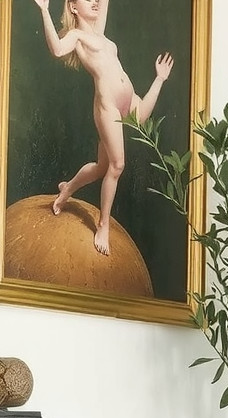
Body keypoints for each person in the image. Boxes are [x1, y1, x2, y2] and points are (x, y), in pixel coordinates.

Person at [32, 0, 174, 256]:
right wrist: (44, 11)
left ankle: (68, 188)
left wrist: (160, 79)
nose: (95, 1)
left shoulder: (99, 32)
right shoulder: (77, 36)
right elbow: (57, 50)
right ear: (73, 7)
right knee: (117, 166)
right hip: (107, 106)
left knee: (101, 167)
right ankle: (103, 225)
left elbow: (141, 117)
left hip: (129, 101)